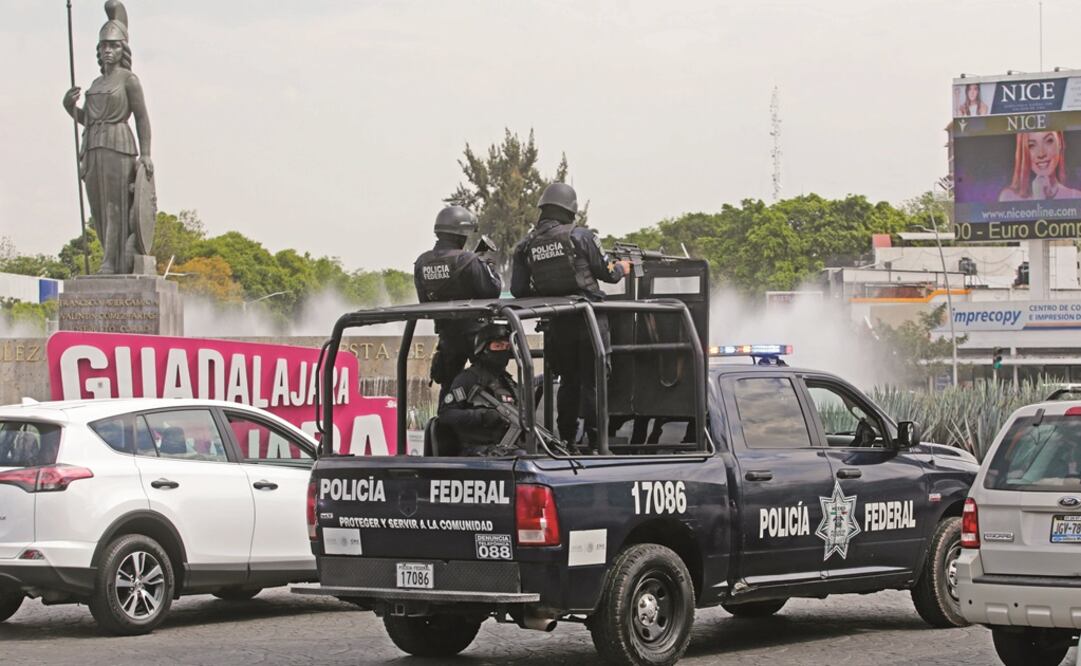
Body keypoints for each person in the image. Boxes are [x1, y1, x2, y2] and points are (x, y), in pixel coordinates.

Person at [510, 183, 631, 451]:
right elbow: (608, 274)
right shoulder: (582, 236)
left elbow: (518, 290)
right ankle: (598, 442)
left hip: (557, 322)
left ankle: (566, 440)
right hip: (588, 322)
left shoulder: (525, 245)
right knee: (594, 381)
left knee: (568, 383)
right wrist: (622, 267)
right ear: (570, 210)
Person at [62, 0, 153, 274]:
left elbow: (141, 117)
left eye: (113, 45)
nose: (107, 51)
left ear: (123, 48)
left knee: (115, 205)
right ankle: (108, 258)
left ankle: (110, 263)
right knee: (99, 210)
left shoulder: (129, 80)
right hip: (92, 148)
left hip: (118, 146)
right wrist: (70, 108)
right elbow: (88, 121)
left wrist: (146, 153)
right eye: (103, 46)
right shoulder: (95, 84)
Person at [414, 206, 502, 400]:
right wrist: (487, 267)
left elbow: (424, 301)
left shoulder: (422, 262)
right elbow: (492, 290)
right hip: (475, 333)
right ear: (461, 234)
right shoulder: (469, 260)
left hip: (447, 335)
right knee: (489, 381)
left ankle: (445, 423)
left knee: (449, 386)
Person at [438, 324, 524, 457]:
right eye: (498, 346)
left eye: (506, 347)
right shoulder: (468, 379)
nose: (503, 351)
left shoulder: (508, 382)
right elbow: (446, 414)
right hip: (474, 451)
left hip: (504, 448)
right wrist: (482, 416)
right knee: (522, 456)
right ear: (483, 348)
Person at [999, 131, 1081, 202]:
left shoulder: (1076, 196)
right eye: (1031, 145)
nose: (1041, 154)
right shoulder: (1008, 197)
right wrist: (1039, 198)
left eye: (1049, 141)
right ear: (1024, 151)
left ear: (1060, 142)